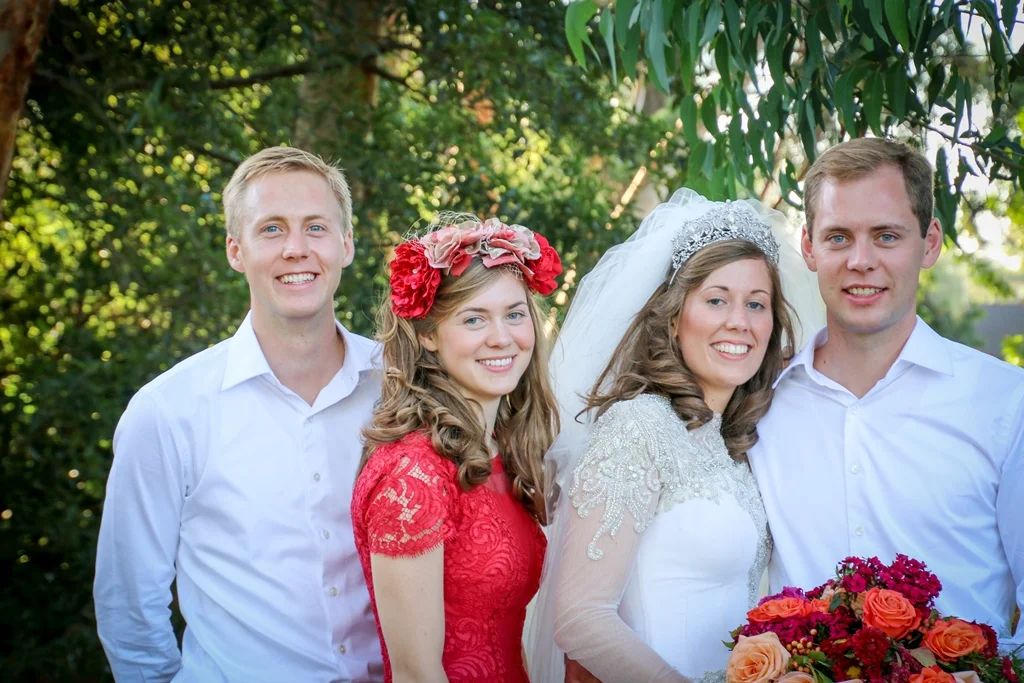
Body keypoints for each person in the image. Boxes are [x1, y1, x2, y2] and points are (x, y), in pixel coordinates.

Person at [94, 146, 385, 682]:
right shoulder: (168, 412)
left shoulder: (401, 387)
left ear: (346, 244)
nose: (296, 249)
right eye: (271, 229)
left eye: (316, 227)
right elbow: (129, 606)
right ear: (235, 250)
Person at [525, 189, 824, 682]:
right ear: (674, 317)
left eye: (756, 304)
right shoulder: (637, 426)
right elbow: (580, 619)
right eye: (716, 300)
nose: (739, 322)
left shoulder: (734, 445)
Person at [749, 137, 1024, 652]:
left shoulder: (1008, 403)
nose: (861, 260)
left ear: (930, 242)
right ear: (808, 247)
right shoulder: (760, 404)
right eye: (838, 237)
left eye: (886, 236)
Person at [350, 215, 563, 682]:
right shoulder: (411, 476)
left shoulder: (499, 451)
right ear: (427, 335)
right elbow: (416, 674)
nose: (502, 338)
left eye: (514, 314)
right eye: (473, 319)